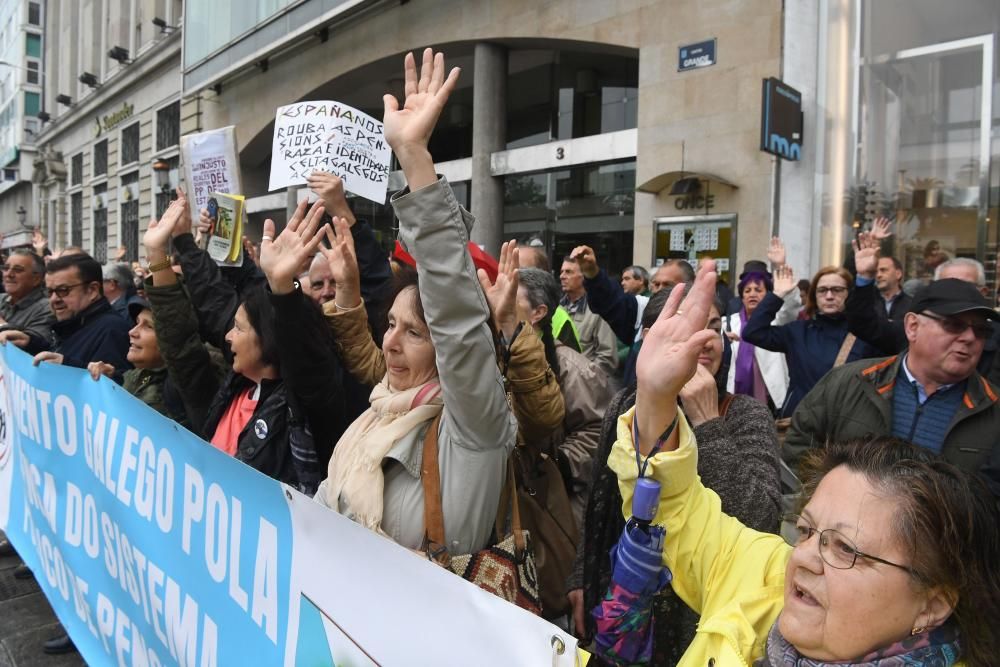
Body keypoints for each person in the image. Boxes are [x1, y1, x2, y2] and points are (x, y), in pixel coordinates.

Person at [609, 258, 1000, 666]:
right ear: (913, 326)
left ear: (932, 605)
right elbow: (675, 508)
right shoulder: (763, 578)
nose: (803, 558)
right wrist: (655, 397)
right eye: (808, 531)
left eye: (846, 549)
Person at [314, 48, 516, 556]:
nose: (390, 341)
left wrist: (414, 159)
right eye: (390, 325)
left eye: (414, 331)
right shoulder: (373, 415)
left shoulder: (472, 426)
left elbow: (457, 318)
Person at [569, 285, 781, 664]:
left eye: (712, 328)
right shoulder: (628, 405)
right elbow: (602, 497)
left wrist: (707, 422)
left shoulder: (746, 414)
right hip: (627, 593)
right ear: (652, 341)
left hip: (700, 616)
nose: (702, 341)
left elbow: (761, 520)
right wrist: (582, 577)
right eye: (687, 330)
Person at [144, 195, 345, 491]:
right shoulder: (230, 392)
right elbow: (182, 348)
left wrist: (282, 288)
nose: (227, 335)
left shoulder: (305, 403)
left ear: (268, 337)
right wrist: (157, 254)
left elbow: (307, 359)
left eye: (238, 328)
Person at [786, 278, 1000, 494]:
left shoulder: (992, 408)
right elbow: (799, 450)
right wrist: (814, 509)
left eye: (981, 331)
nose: (970, 338)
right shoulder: (850, 381)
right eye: (954, 325)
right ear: (912, 327)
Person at [517, 267, 612, 524]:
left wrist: (554, 467)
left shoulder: (574, 368)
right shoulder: (497, 356)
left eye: (512, 297)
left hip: (551, 507)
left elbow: (598, 432)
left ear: (538, 313)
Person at [742, 266, 879, 416]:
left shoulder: (864, 335)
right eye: (822, 290)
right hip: (799, 424)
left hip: (846, 424)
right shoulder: (798, 332)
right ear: (814, 296)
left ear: (849, 293)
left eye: (837, 290)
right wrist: (777, 295)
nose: (829, 296)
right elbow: (752, 332)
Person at [724, 267, 794, 413]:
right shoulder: (727, 323)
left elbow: (790, 308)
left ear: (768, 295)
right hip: (733, 397)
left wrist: (780, 266)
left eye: (758, 289)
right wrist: (722, 341)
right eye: (747, 291)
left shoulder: (777, 321)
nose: (752, 294)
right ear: (742, 297)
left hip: (769, 398)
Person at [560, 256, 619, 375]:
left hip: (584, 386)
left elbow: (607, 358)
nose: (562, 276)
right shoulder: (555, 308)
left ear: (583, 277)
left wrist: (583, 379)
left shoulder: (598, 310)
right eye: (562, 271)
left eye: (568, 272)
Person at [0, 250, 54, 351]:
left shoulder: (48, 308)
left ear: (36, 279)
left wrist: (2, 324)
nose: (9, 274)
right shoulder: (1, 298)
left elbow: (30, 346)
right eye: (6, 268)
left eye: (18, 270)